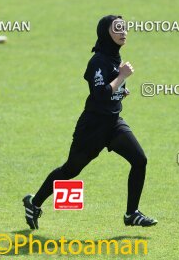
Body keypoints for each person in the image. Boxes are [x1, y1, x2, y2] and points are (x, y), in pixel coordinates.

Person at [23, 15, 157, 230]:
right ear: (106, 33)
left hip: (113, 124)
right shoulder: (98, 61)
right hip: (92, 128)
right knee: (70, 171)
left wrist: (120, 91)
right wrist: (121, 77)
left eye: (125, 28)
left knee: (140, 160)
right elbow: (100, 94)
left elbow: (109, 92)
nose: (123, 33)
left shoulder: (114, 57)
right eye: (117, 29)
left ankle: (132, 213)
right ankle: (34, 203)